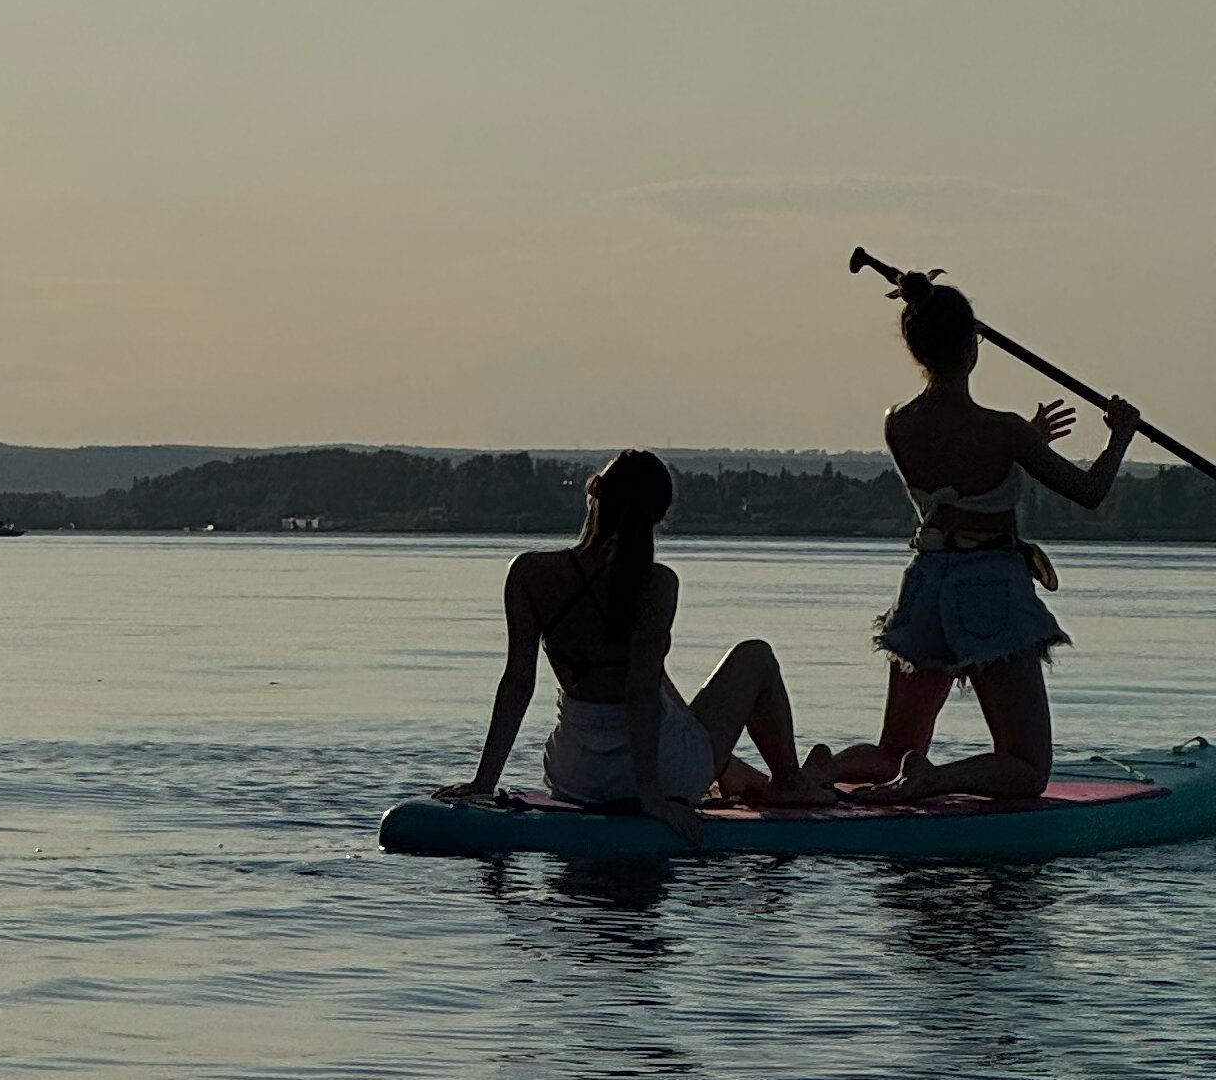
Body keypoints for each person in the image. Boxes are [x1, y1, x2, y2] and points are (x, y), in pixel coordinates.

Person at [817, 277, 1140, 803]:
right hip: (988, 588)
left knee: (894, 746)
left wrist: (1026, 441)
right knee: (1027, 767)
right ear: (972, 349)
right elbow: (1089, 491)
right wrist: (1120, 435)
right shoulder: (1003, 431)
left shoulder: (897, 423)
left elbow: (956, 473)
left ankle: (818, 773)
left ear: (916, 348)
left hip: (924, 586)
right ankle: (932, 780)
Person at [441, 450, 835, 846]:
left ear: (593, 490)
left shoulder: (528, 573)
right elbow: (640, 692)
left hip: (575, 775)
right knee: (755, 655)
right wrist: (653, 798)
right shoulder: (657, 584)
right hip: (659, 771)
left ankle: (738, 774)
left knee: (653, 676)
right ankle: (786, 780)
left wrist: (484, 782)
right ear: (658, 517)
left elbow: (517, 684)